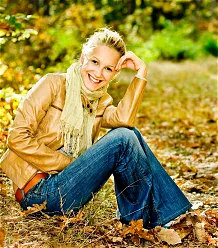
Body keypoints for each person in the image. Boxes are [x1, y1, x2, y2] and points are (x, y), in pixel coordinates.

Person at [0, 28, 191, 229]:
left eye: (108, 68)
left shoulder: (98, 102)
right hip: (40, 192)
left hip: (69, 188)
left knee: (131, 134)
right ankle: (151, 217)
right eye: (95, 62)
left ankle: (141, 219)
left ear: (115, 73)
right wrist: (69, 163)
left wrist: (141, 72)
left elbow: (125, 120)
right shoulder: (53, 84)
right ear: (84, 57)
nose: (98, 73)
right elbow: (16, 137)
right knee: (123, 139)